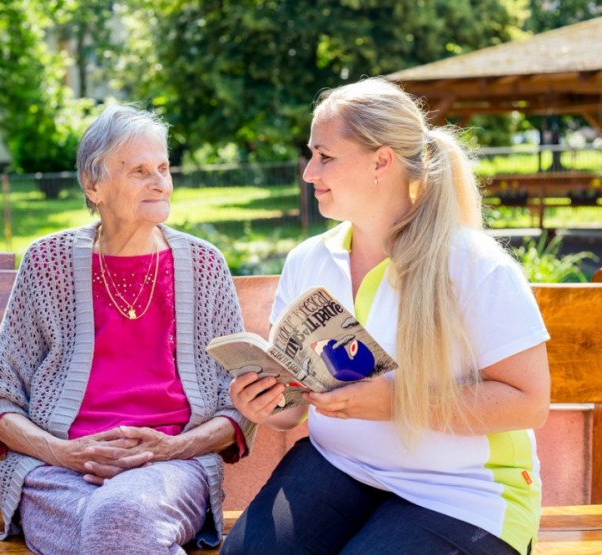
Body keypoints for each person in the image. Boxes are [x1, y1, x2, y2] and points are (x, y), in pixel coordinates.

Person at [223, 77, 550, 555]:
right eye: (311, 155)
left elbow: (528, 402)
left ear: (382, 161)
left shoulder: (475, 265)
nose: (309, 172)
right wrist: (268, 405)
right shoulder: (308, 260)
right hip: (341, 463)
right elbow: (294, 409)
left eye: (325, 156)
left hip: (462, 493)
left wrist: (399, 403)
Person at [0, 104, 255, 555]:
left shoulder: (203, 265)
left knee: (117, 519)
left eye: (163, 167)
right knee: (113, 529)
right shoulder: (48, 262)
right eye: (140, 170)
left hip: (170, 470)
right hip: (57, 473)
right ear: (93, 185)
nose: (160, 182)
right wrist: (64, 453)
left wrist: (171, 448)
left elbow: (236, 406)